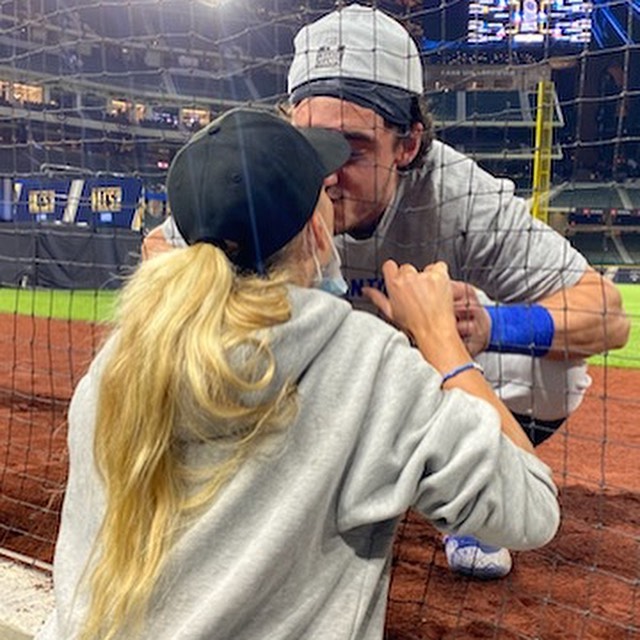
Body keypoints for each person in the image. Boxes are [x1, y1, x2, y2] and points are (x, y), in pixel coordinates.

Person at [141, 4, 629, 579]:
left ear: (407, 143)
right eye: (309, 143)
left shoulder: (459, 195)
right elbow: (161, 252)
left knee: (558, 374)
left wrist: (489, 328)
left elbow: (607, 313)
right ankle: (248, 480)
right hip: (299, 366)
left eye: (351, 146)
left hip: (412, 370)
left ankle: (461, 501)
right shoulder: (267, 168)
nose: (324, 173)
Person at [36, 107, 560, 640]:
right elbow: (530, 509)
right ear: (316, 229)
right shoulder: (363, 362)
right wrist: (442, 341)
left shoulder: (123, 355)